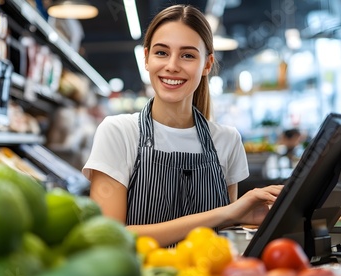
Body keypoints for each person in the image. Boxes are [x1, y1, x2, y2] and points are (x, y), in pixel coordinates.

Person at [82, 4, 282, 247]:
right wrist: (227, 213)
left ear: (207, 65)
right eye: (161, 53)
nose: (172, 65)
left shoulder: (227, 140)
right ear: (146, 58)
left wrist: (245, 217)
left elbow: (220, 229)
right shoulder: (118, 132)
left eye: (187, 55)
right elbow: (108, 238)